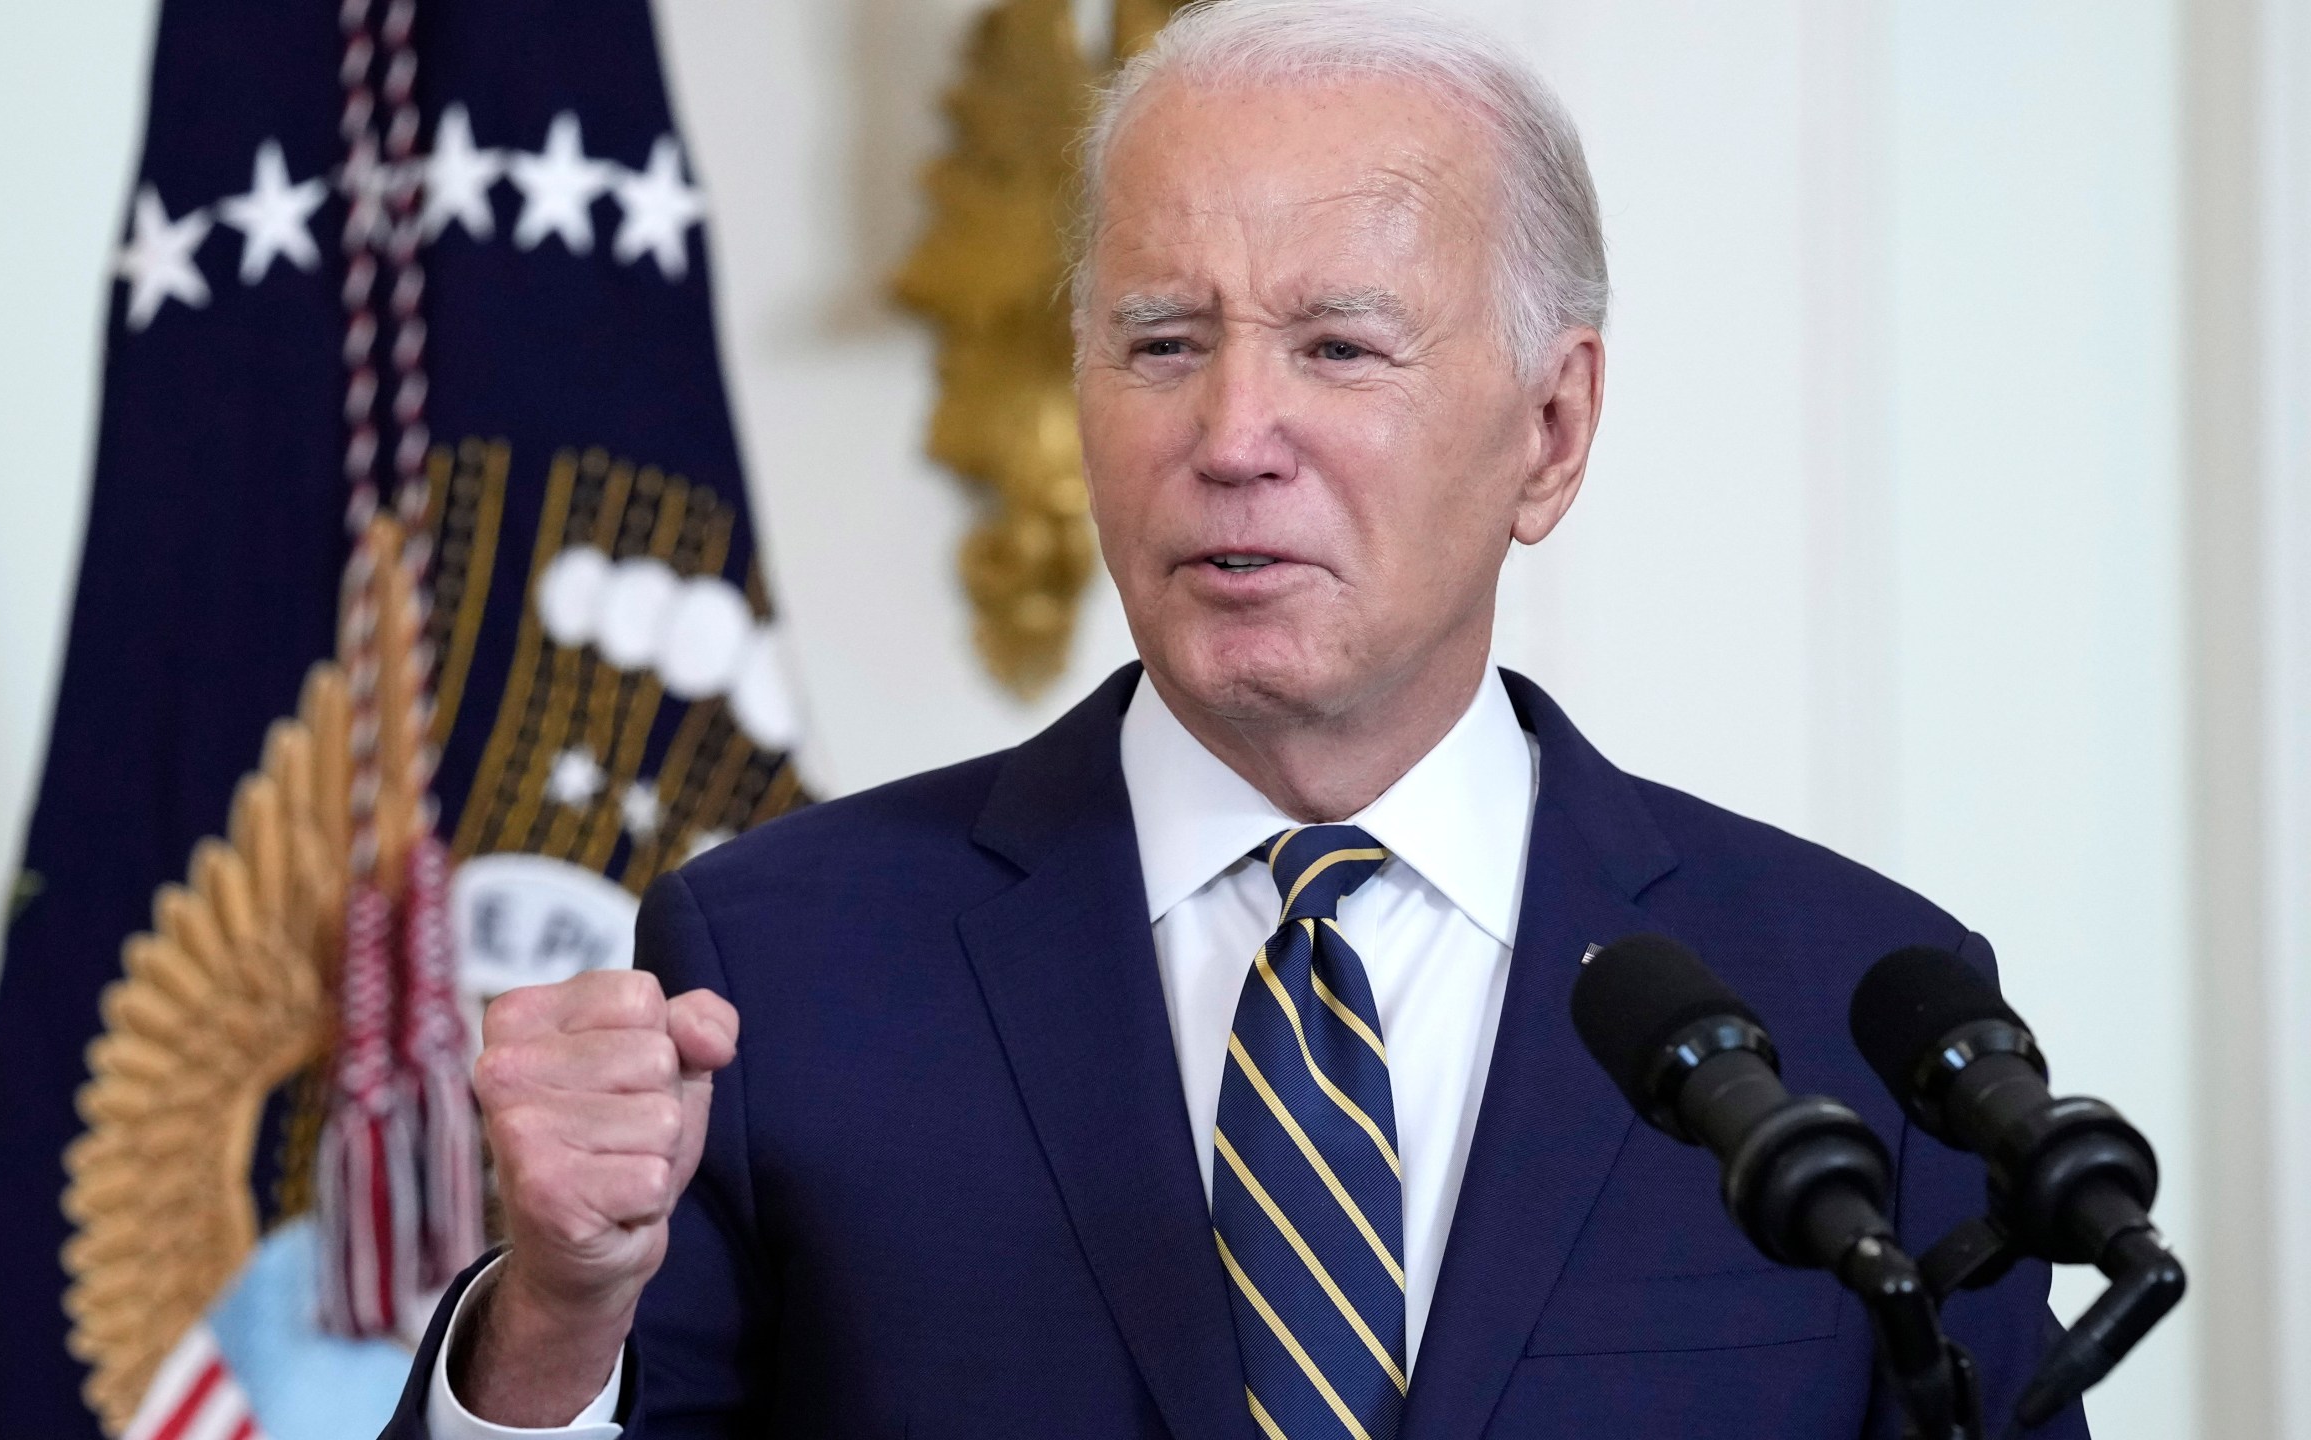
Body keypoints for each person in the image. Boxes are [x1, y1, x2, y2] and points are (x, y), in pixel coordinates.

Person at [386, 2, 2084, 1435]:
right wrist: (558, 1318)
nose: (1232, 436)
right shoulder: (777, 972)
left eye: (1338, 347)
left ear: (1552, 430)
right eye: (1161, 343)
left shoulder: (1854, 1013)